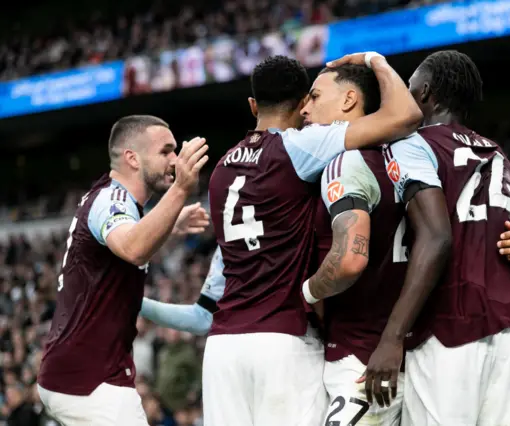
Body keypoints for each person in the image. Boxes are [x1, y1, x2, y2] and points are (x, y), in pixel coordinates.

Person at [204, 53, 421, 426]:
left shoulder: (220, 170)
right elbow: (404, 116)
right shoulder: (301, 146)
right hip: (282, 335)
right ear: (304, 101)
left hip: (222, 346)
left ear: (253, 105)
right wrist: (375, 61)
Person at [371, 50, 510, 425]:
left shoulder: (412, 145)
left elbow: (437, 240)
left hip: (448, 329)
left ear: (426, 93)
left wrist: (391, 337)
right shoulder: (497, 154)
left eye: (409, 86)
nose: (404, 92)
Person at [37, 115, 210, 425]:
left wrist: (171, 222)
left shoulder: (115, 199)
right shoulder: (112, 199)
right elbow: (132, 248)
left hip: (75, 371)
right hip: (90, 379)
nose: (174, 160)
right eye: (165, 151)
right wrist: (181, 189)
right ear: (132, 158)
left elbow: (121, 244)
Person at [300, 63, 413, 425]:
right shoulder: (411, 161)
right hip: (418, 358)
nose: (304, 109)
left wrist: (307, 292)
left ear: (350, 100)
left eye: (315, 97)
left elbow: (349, 260)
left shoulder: (345, 162)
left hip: (359, 361)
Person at [139, 245, 225, 335]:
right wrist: (135, 301)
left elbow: (203, 318)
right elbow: (204, 316)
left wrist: (134, 301)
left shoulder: (230, 245)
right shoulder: (225, 247)